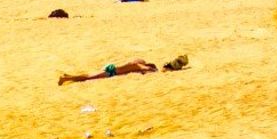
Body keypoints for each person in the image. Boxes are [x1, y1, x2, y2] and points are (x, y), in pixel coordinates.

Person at [57, 57, 186, 84]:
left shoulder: (137, 62)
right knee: (88, 77)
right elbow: (147, 70)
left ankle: (68, 76)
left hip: (112, 67)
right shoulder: (139, 66)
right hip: (111, 72)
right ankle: (66, 78)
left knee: (88, 74)